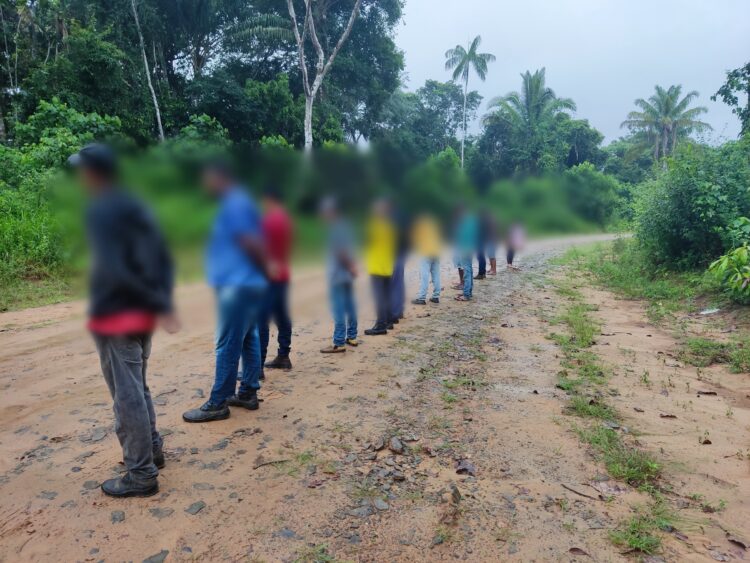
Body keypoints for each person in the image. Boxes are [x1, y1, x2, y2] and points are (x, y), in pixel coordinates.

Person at [69, 143, 178, 498]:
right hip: (142, 313)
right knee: (138, 386)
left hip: (119, 312)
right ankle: (154, 451)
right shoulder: (136, 204)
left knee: (126, 394)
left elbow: (116, 268)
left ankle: (141, 472)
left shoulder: (103, 210)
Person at [183, 161, 268, 423]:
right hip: (247, 283)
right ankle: (247, 392)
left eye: (208, 180)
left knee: (227, 344)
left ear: (220, 178)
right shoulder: (241, 201)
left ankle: (218, 402)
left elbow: (250, 242)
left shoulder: (234, 203)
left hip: (238, 285)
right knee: (248, 339)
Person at [259, 187, 293, 374]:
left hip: (269, 276)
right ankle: (284, 355)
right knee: (282, 316)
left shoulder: (268, 220)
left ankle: (257, 366)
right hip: (283, 273)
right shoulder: (286, 219)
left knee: (261, 320)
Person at [319, 197, 358, 353]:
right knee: (350, 305)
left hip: (338, 275)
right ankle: (352, 336)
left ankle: (338, 342)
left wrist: (350, 266)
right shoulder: (346, 225)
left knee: (339, 309)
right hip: (346, 275)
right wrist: (352, 267)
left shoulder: (335, 228)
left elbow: (341, 252)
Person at [364, 199, 396, 335]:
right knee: (387, 295)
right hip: (387, 265)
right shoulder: (391, 225)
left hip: (376, 266)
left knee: (379, 297)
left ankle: (381, 325)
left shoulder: (374, 225)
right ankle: (389, 320)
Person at [411, 212, 442, 305]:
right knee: (436, 274)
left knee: (424, 276)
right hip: (436, 252)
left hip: (425, 252)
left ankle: (422, 297)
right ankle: (436, 296)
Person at [389, 206, 410, 324]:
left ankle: (395, 312)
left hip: (395, 253)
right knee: (399, 282)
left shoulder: (393, 220)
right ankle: (399, 309)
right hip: (401, 252)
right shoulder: (403, 218)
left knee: (394, 283)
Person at [454, 206, 478, 302]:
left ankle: (466, 294)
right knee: (470, 270)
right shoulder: (472, 221)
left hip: (464, 248)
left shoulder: (463, 221)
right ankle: (469, 291)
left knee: (467, 271)